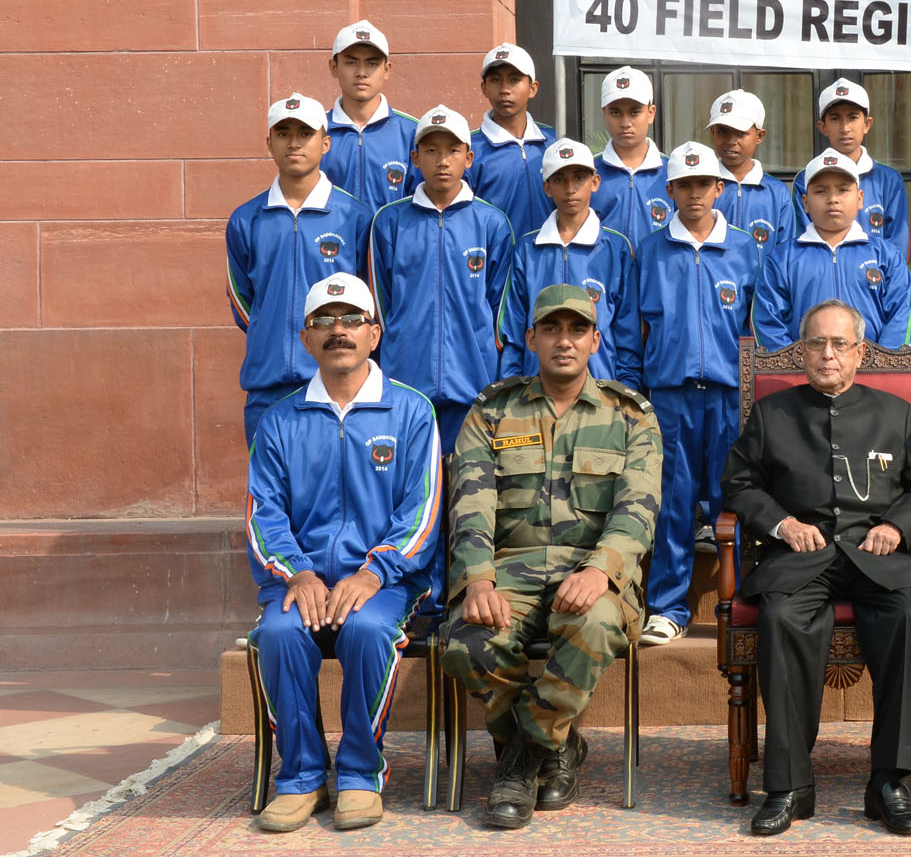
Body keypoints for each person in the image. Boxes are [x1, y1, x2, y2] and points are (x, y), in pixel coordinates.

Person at [439, 284, 661, 828]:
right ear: (531, 337)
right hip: (508, 570)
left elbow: (638, 508)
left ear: (595, 339)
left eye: (577, 330)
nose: (565, 341)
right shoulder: (492, 412)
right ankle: (555, 748)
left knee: (594, 624)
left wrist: (601, 569)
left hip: (592, 571)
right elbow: (470, 501)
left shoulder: (631, 415)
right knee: (466, 641)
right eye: (553, 330)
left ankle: (519, 759)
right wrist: (477, 580)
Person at [722, 299, 911, 837]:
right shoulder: (773, 414)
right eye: (817, 344)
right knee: (780, 619)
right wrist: (781, 525)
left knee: (906, 615)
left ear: (859, 352)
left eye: (839, 344)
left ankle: (889, 782)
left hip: (877, 558)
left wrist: (896, 527)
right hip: (801, 558)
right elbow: (739, 484)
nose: (827, 354)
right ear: (801, 352)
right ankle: (790, 786)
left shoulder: (896, 415)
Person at [244, 273, 442, 833]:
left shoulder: (411, 412)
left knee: (367, 631)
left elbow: (422, 511)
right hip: (299, 584)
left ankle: (358, 774)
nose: (339, 331)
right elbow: (264, 513)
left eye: (352, 319)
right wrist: (298, 575)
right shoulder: (280, 420)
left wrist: (375, 573)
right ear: (305, 340)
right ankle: (302, 777)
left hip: (383, 584)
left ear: (375, 334)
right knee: (279, 635)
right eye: (324, 322)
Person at [636, 141, 761, 646]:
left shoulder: (746, 249)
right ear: (669, 190)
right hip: (669, 393)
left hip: (729, 396)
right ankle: (667, 606)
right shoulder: (650, 249)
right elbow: (632, 325)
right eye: (683, 185)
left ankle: (745, 600)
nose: (694, 195)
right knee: (673, 502)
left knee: (734, 498)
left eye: (703, 185)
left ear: (720, 189)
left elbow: (758, 326)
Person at [228, 92, 373, 446]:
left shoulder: (355, 216)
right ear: (269, 142)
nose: (294, 143)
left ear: (325, 142)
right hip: (268, 383)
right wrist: (273, 335)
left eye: (305, 134)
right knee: (270, 492)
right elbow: (244, 305)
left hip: (336, 381)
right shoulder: (246, 219)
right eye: (283, 133)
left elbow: (371, 300)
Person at [367, 105, 514, 450]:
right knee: (412, 489)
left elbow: (500, 311)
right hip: (406, 384)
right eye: (431, 151)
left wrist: (492, 374)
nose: (442, 161)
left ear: (469, 157)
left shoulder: (492, 223)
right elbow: (381, 306)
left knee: (468, 493)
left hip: (473, 384)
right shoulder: (389, 222)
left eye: (452, 150)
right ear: (415, 158)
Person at [498, 138, 640, 388]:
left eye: (579, 178)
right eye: (559, 179)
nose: (570, 188)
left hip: (601, 394)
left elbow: (628, 334)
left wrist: (623, 394)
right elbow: (512, 332)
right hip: (535, 394)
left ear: (595, 182)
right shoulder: (527, 249)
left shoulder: (616, 248)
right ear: (547, 188)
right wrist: (512, 390)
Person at [753, 149, 911, 351]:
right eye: (820, 191)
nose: (832, 199)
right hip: (803, 376)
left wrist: (881, 365)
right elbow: (767, 321)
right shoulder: (783, 259)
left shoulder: (887, 256)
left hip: (873, 376)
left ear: (860, 198)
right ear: (805, 202)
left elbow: (902, 315)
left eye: (842, 190)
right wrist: (796, 366)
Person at [791, 78, 910, 259]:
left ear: (867, 124)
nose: (845, 128)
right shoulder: (806, 178)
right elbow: (804, 239)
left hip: (876, 280)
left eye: (853, 117)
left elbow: (898, 244)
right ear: (822, 127)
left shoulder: (889, 179)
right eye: (835, 118)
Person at [321, 20, 419, 210]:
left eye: (372, 63)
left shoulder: (412, 133)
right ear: (334, 67)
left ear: (387, 70)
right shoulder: (315, 130)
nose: (361, 73)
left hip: (390, 239)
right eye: (351, 62)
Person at [469, 42, 552, 240]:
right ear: (484, 88)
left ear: (532, 88)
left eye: (514, 80)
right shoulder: (468, 149)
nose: (505, 89)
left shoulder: (553, 143)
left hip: (548, 261)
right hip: (496, 264)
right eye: (496, 80)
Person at [590, 66, 672, 248]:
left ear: (651, 113)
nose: (625, 123)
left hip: (655, 274)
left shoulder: (673, 172)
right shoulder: (587, 172)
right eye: (615, 112)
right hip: (603, 275)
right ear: (604, 113)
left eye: (635, 112)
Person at [707, 88, 795, 256]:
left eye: (740, 133)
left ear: (760, 136)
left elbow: (785, 253)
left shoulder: (777, 192)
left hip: (762, 283)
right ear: (713, 132)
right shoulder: (701, 186)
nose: (731, 141)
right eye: (722, 131)